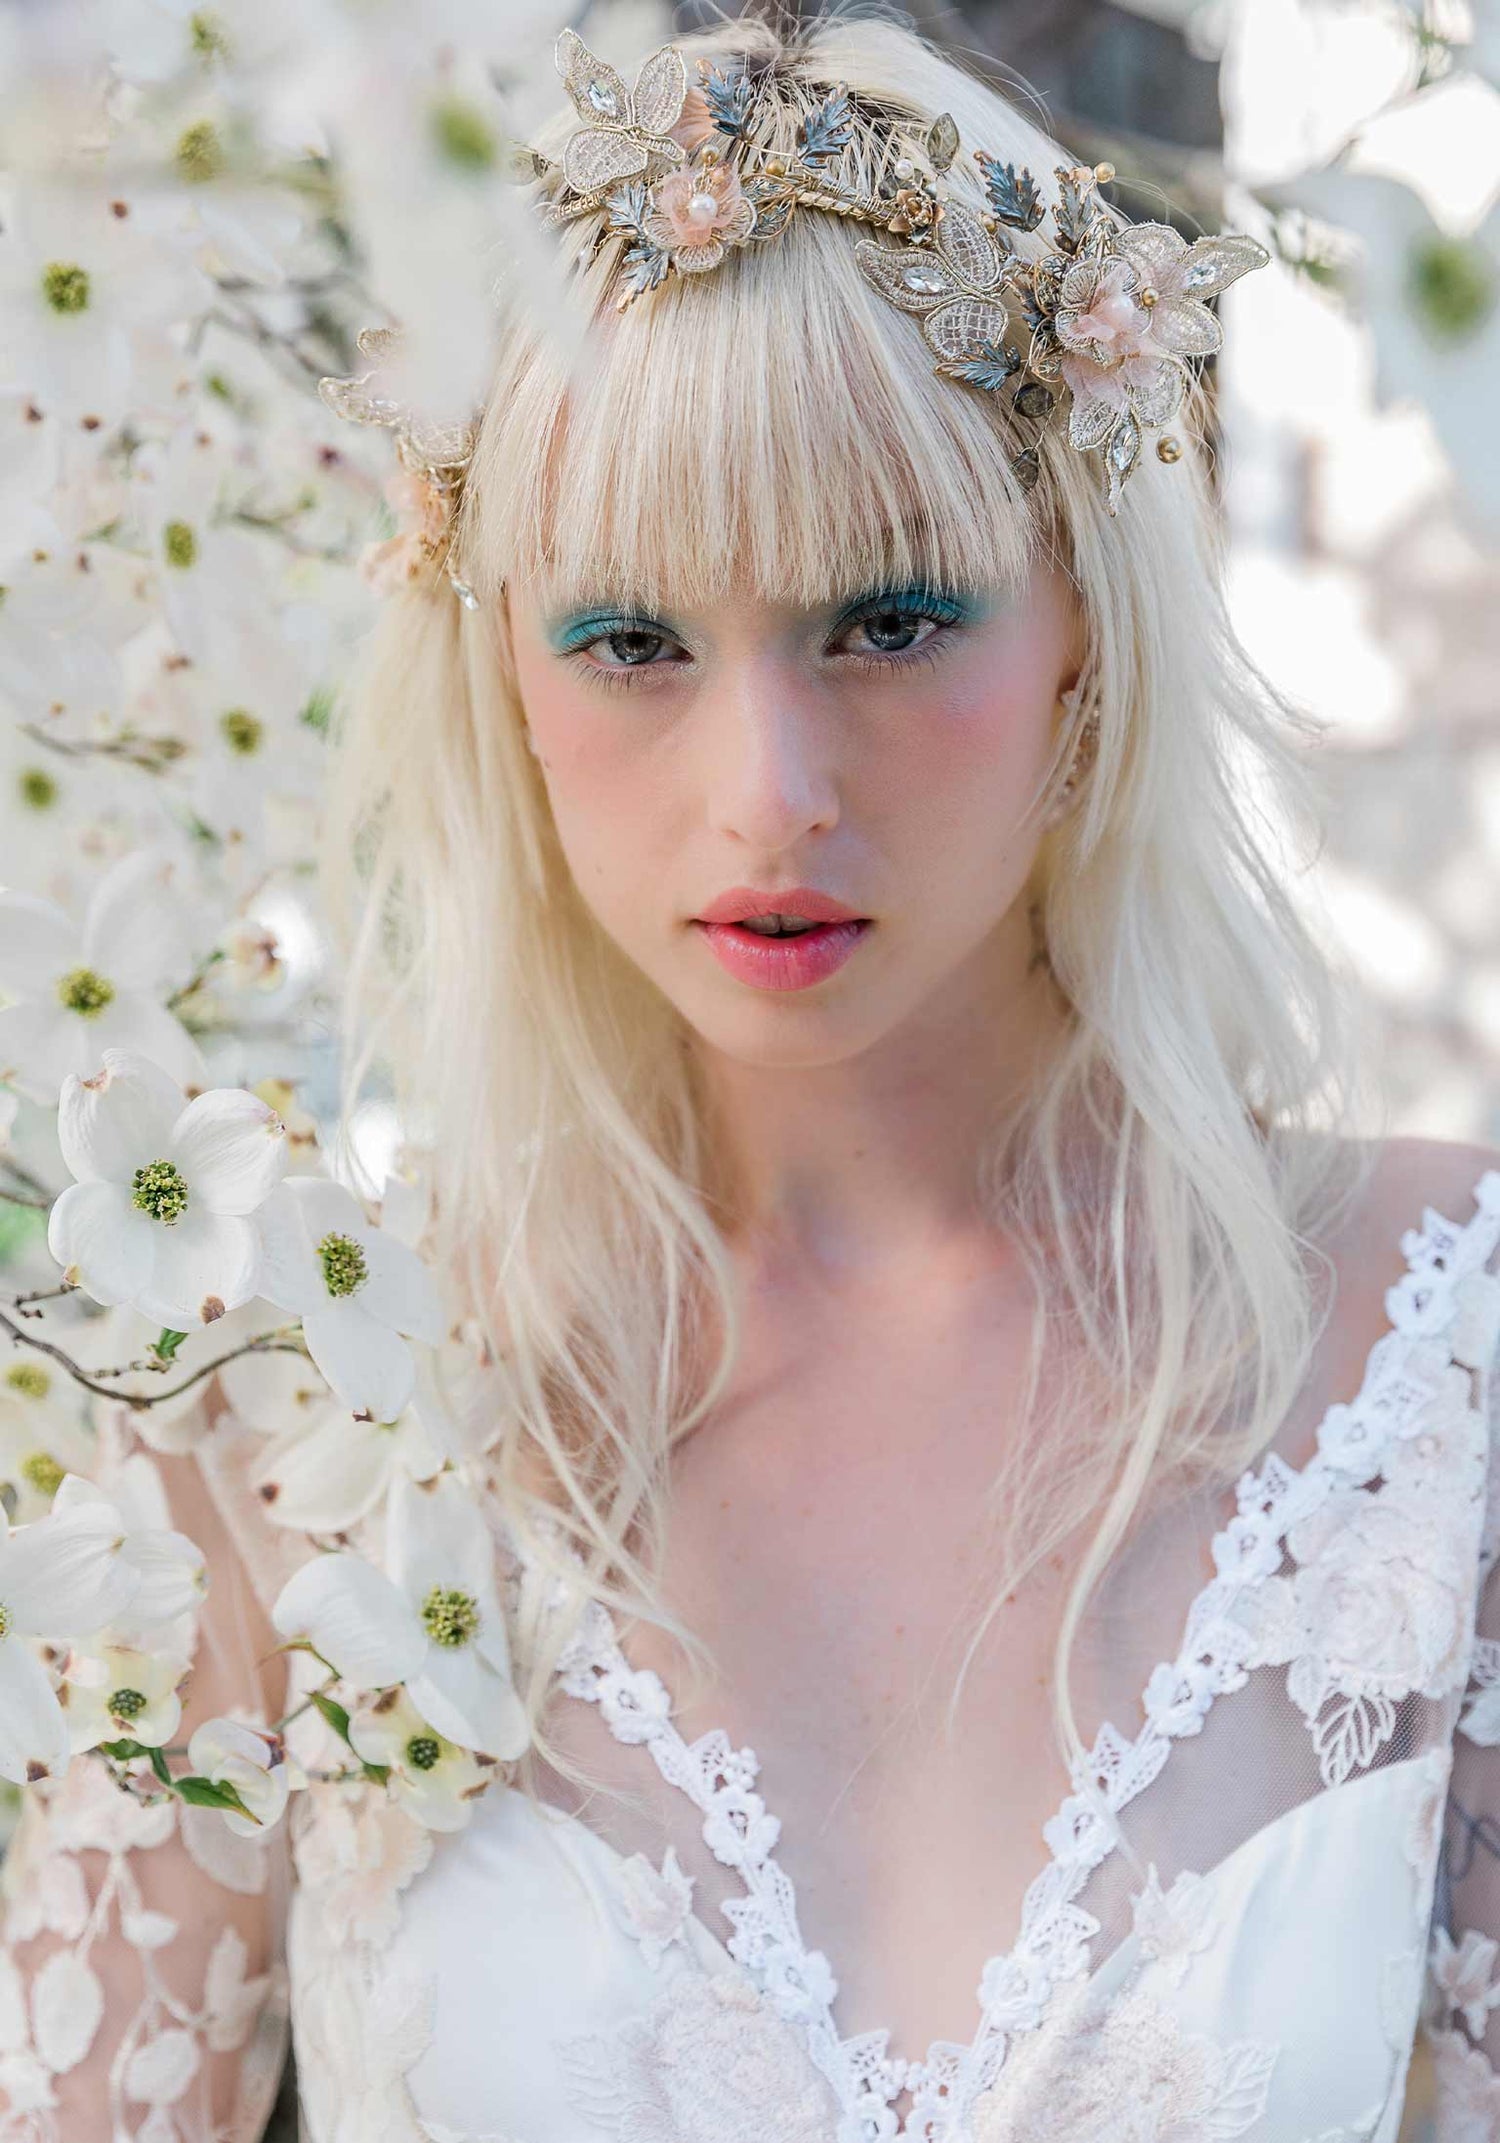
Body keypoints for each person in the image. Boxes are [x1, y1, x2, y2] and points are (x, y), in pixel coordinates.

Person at [5, 12, 1500, 2142]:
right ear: (491, 658)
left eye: (886, 621)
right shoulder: (290, 1418)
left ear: (1081, 611)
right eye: (630, 640)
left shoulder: (1443, 1353)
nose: (766, 795)